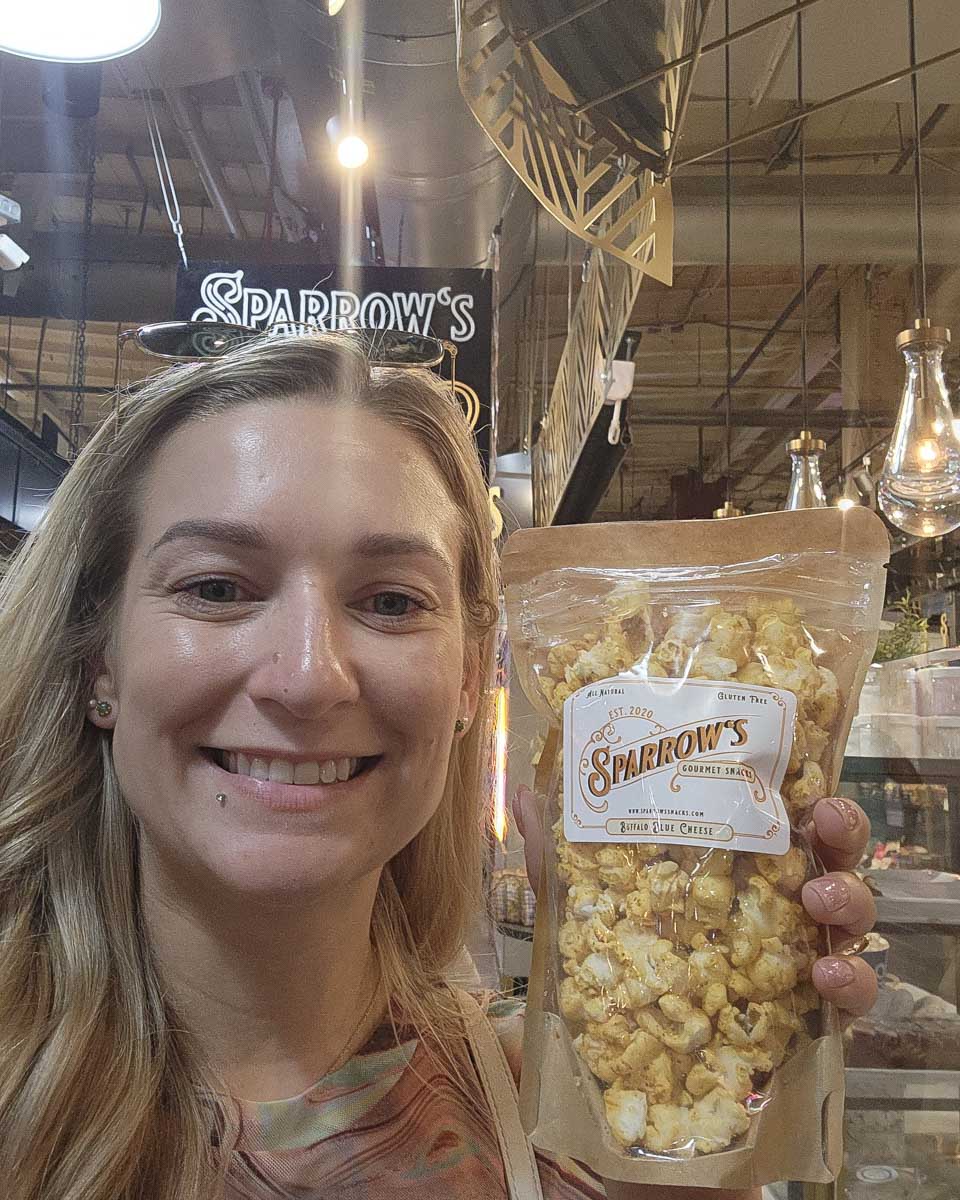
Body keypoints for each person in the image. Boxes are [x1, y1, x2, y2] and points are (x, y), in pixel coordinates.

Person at [0, 332, 878, 1200]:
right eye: (218, 588)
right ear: (97, 662)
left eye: (390, 601)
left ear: (468, 681)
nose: (309, 678)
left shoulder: (563, 1133)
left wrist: (674, 1108)